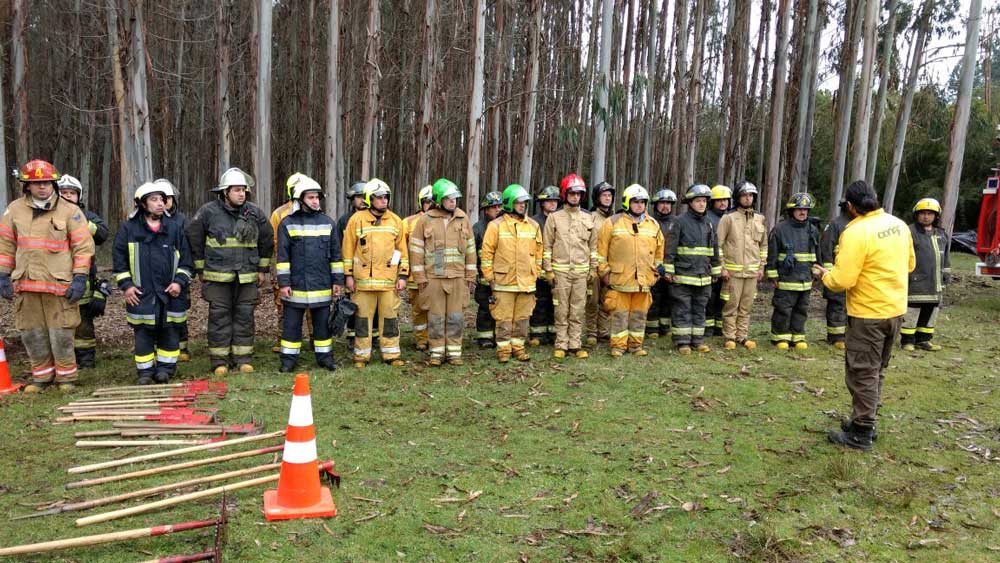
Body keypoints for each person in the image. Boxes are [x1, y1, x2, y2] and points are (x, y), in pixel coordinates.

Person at [816, 180, 914, 451]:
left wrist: (825, 276)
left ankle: (861, 433)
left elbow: (842, 280)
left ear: (850, 206)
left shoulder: (856, 232)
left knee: (862, 372)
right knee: (876, 371)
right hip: (895, 311)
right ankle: (865, 419)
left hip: (868, 314)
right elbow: (910, 264)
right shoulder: (899, 225)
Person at [0, 160, 95, 392]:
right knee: (32, 333)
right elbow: (5, 245)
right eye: (36, 183)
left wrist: (80, 277)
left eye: (46, 182)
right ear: (27, 186)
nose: (42, 187)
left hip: (59, 285)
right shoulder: (14, 210)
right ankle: (41, 377)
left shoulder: (70, 211)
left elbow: (83, 247)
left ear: (53, 183)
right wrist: (3, 275)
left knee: (61, 333)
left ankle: (66, 378)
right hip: (26, 285)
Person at [186, 167, 273, 375]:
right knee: (219, 317)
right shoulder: (208, 212)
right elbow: (194, 239)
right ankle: (219, 361)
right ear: (225, 192)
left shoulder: (254, 212)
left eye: (244, 189)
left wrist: (262, 269)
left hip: (246, 276)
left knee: (245, 317)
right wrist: (200, 270)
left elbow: (267, 239)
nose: (242, 193)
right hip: (217, 277)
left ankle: (243, 358)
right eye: (236, 190)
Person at [113, 182, 193, 385]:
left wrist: (179, 283)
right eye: (154, 200)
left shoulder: (174, 228)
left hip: (171, 293)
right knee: (143, 333)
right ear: (142, 204)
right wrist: (127, 286)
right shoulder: (129, 229)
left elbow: (186, 260)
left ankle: (166, 369)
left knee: (170, 332)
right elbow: (119, 261)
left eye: (162, 199)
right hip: (141, 293)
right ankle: (145, 372)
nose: (160, 204)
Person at [275, 174, 341, 372]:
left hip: (321, 286)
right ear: (299, 199)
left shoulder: (328, 223)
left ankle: (325, 358)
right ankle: (288, 361)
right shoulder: (287, 224)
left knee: (322, 327)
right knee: (291, 328)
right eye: (311, 197)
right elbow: (283, 258)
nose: (315, 201)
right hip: (295, 287)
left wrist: (337, 281)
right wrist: (284, 284)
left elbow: (336, 256)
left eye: (317, 197)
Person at [408, 178, 477, 366]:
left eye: (455, 198)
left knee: (456, 317)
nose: (453, 201)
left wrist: (470, 277)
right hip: (434, 278)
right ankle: (436, 353)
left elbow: (470, 250)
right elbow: (416, 250)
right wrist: (420, 277)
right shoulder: (425, 220)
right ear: (439, 199)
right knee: (436, 317)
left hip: (457, 278)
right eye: (449, 198)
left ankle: (454, 352)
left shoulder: (463, 219)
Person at [342, 178, 408, 368]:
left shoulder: (395, 221)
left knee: (389, 319)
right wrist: (348, 276)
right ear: (370, 199)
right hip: (362, 282)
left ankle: (391, 354)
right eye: (379, 198)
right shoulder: (356, 220)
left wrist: (403, 275)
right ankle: (361, 355)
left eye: (386, 197)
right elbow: (347, 250)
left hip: (388, 282)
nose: (384, 201)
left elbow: (401, 250)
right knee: (362, 320)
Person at [597, 184, 664, 357]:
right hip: (619, 280)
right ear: (627, 202)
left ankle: (636, 346)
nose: (639, 205)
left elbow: (659, 252)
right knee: (619, 315)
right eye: (635, 201)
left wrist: (655, 272)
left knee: (639, 315)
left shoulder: (653, 224)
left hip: (643, 281)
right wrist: (604, 274)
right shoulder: (612, 222)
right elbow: (601, 252)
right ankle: (618, 346)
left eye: (642, 202)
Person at [480, 184, 543, 362]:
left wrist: (536, 272)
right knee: (503, 320)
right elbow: (487, 253)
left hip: (526, 283)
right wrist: (490, 277)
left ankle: (518, 347)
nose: (523, 205)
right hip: (503, 282)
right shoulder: (496, 226)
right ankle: (503, 351)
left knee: (522, 319)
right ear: (508, 203)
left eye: (524, 202)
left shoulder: (533, 226)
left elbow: (539, 251)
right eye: (518, 202)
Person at [57, 174, 110, 368]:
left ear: (79, 196)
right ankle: (64, 361)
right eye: (63, 192)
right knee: (59, 322)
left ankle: (86, 362)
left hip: (84, 279)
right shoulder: (48, 216)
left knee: (83, 324)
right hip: (56, 278)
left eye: (72, 193)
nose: (67, 196)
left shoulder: (87, 216)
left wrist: (81, 222)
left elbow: (103, 234)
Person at [543, 174, 597, 360]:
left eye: (579, 194)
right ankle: (561, 344)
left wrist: (593, 269)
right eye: (572, 193)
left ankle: (575, 345)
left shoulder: (589, 218)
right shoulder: (554, 218)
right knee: (561, 310)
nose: (575, 197)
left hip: (581, 273)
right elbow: (547, 245)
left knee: (577, 310)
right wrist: (548, 270)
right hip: (561, 273)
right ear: (565, 194)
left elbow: (593, 247)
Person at [664, 184, 720, 354]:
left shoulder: (709, 224)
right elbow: (670, 249)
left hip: (703, 276)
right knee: (683, 309)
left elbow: (714, 249)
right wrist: (669, 271)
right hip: (683, 276)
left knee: (699, 308)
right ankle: (682, 342)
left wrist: (716, 270)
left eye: (704, 201)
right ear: (690, 203)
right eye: (698, 201)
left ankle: (697, 340)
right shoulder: (679, 222)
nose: (702, 204)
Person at [716, 181, 767, 350]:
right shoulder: (728, 218)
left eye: (751, 195)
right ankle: (729, 337)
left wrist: (762, 267)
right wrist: (722, 267)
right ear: (738, 198)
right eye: (744, 195)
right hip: (732, 272)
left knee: (746, 307)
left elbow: (763, 245)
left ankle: (742, 336)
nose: (748, 198)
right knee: (731, 306)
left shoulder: (760, 219)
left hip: (752, 273)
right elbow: (719, 245)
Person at [766, 193, 820, 350]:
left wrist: (816, 271)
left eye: (806, 209)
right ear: (791, 211)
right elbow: (773, 254)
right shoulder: (780, 229)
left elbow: (817, 254)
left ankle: (798, 336)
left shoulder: (812, 230)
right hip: (786, 278)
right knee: (783, 308)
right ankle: (780, 337)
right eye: (799, 209)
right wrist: (773, 274)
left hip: (805, 279)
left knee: (801, 309)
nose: (803, 212)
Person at [900, 197, 951, 352]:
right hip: (915, 281)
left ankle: (924, 340)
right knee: (912, 312)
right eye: (923, 213)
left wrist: (946, 275)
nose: (926, 216)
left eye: (930, 213)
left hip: (935, 283)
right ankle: (907, 341)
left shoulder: (941, 234)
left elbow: (946, 257)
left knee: (931, 311)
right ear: (916, 214)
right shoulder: (909, 232)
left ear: (936, 216)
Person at [160, 178, 193, 361]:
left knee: (179, 313)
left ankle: (182, 346)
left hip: (179, 277)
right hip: (157, 278)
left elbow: (188, 249)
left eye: (168, 198)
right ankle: (163, 346)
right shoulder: (145, 221)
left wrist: (184, 277)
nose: (164, 203)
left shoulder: (181, 221)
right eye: (160, 198)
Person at [336, 181, 371, 344]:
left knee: (373, 306)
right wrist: (345, 273)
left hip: (373, 271)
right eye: (359, 197)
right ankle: (352, 337)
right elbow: (339, 246)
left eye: (365, 196)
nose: (362, 200)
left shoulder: (375, 218)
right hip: (353, 271)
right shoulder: (344, 221)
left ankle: (374, 337)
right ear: (352, 199)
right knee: (352, 304)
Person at [403, 185, 435, 351]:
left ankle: (435, 338)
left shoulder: (443, 220)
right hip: (415, 276)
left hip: (436, 275)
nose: (430, 204)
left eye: (432, 201)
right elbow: (400, 248)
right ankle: (421, 339)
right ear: (421, 203)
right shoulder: (408, 222)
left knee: (436, 309)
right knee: (418, 309)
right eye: (427, 201)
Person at [529, 185, 560, 346]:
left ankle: (554, 333)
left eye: (555, 201)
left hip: (558, 269)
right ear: (542, 203)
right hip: (539, 271)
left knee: (556, 303)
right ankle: (537, 334)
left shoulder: (561, 221)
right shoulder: (534, 222)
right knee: (539, 302)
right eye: (549, 201)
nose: (553, 204)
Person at [585, 181, 616, 345]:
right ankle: (591, 332)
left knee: (607, 299)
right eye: (604, 195)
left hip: (610, 267)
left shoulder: (615, 219)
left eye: (609, 195)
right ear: (597, 198)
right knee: (592, 300)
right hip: (593, 266)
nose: (607, 198)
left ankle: (603, 332)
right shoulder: (590, 217)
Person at [473, 191, 503, 348]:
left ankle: (499, 336)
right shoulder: (478, 229)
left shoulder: (504, 226)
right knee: (485, 308)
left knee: (501, 308)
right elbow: (472, 254)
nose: (498, 209)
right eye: (494, 207)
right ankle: (484, 338)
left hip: (502, 278)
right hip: (484, 280)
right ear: (486, 209)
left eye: (500, 206)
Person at [645, 189, 676, 339]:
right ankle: (651, 329)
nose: (665, 206)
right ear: (655, 205)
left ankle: (665, 326)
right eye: (662, 203)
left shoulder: (676, 223)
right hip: (653, 268)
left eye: (668, 203)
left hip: (670, 268)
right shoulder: (650, 222)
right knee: (654, 298)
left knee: (668, 298)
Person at [820, 200, 850, 350]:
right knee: (837, 304)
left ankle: (849, 335)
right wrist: (830, 273)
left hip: (855, 274)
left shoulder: (863, 224)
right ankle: (836, 337)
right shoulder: (836, 224)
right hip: (837, 272)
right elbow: (826, 249)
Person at [705, 185, 732, 336]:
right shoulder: (708, 218)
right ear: (712, 202)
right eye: (719, 200)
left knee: (725, 298)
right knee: (710, 297)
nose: (722, 203)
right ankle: (708, 327)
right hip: (712, 265)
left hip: (730, 265)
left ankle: (720, 327)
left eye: (725, 200)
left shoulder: (732, 217)